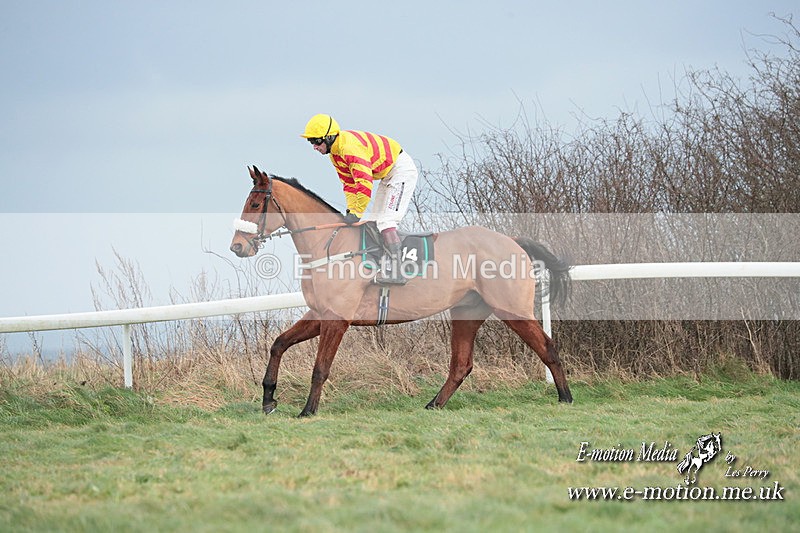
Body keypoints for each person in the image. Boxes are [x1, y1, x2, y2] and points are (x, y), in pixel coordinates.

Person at [301, 114, 419, 285]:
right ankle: (382, 266)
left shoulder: (349, 149)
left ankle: (398, 272)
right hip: (387, 175)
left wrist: (357, 212)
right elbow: (349, 184)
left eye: (316, 141)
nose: (314, 147)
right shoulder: (335, 154)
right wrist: (351, 210)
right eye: (310, 142)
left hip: (401, 170)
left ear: (329, 137)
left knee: (386, 222)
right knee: (372, 220)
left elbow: (364, 184)